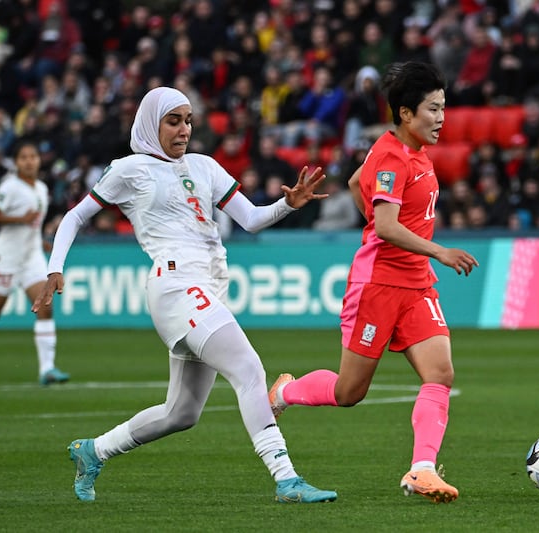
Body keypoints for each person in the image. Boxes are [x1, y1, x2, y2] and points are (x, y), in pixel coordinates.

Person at [31, 86, 336, 504]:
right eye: (173, 120)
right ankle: (287, 480)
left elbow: (250, 219)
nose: (184, 129)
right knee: (248, 368)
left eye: (189, 120)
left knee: (182, 414)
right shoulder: (129, 169)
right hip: (175, 285)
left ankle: (94, 450)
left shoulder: (205, 166)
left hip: (207, 289)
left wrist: (289, 205)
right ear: (150, 123)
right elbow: (75, 215)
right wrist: (54, 267)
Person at [268, 61, 479, 503]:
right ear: (406, 113)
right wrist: (437, 249)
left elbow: (354, 181)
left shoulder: (413, 153)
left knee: (440, 373)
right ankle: (285, 391)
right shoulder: (390, 155)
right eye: (433, 109)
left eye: (444, 108)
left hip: (418, 285)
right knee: (349, 392)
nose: (442, 118)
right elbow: (384, 224)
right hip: (378, 286)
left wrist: (413, 250)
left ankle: (421, 469)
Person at [0, 140, 69, 386]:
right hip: (5, 258)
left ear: (39, 160)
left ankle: (47, 370)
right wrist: (19, 218)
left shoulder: (40, 188)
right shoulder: (10, 187)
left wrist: (40, 241)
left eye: (33, 156)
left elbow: (33, 223)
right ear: (16, 163)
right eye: (24, 157)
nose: (29, 161)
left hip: (31, 257)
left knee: (45, 307)